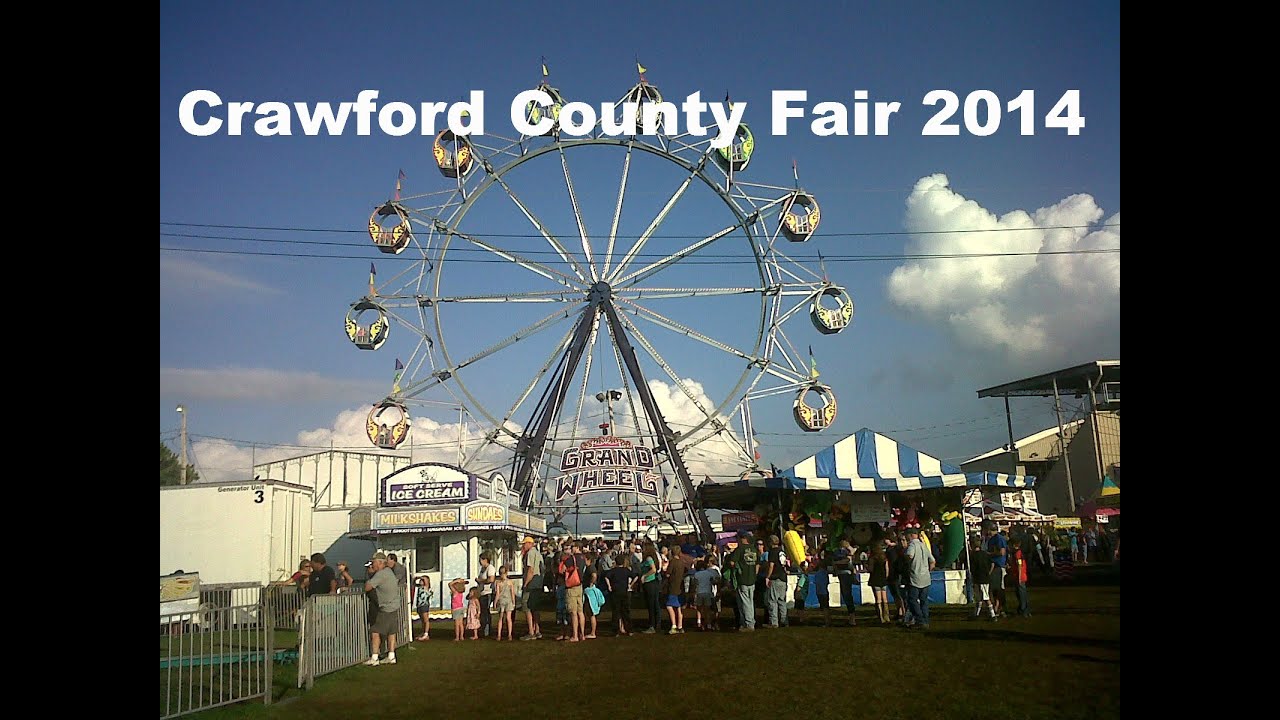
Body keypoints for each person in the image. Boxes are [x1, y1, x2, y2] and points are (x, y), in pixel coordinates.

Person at [363, 552, 400, 666]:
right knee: (391, 632)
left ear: (380, 563)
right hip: (394, 606)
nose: (372, 565)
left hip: (386, 608)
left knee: (375, 631)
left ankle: (374, 658)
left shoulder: (380, 574)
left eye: (373, 563)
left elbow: (368, 587)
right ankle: (391, 656)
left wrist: (370, 575)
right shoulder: (389, 572)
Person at [904, 527, 935, 629]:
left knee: (912, 600)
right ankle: (925, 620)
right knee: (924, 600)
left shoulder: (912, 545)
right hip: (925, 577)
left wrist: (906, 565)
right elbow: (932, 561)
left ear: (911, 535)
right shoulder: (924, 545)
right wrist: (928, 570)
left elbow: (909, 556)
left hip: (915, 576)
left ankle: (920, 619)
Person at [604, 553, 636, 635]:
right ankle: (629, 630)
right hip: (624, 592)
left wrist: (609, 586)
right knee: (626, 612)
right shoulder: (626, 570)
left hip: (615, 592)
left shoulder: (613, 571)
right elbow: (635, 576)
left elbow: (606, 577)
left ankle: (616, 631)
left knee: (616, 612)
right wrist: (631, 584)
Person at [519, 536, 544, 641]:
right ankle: (537, 630)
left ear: (529, 543)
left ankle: (531, 632)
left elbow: (530, 570)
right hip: (538, 584)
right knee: (535, 608)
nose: (523, 546)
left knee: (527, 607)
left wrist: (525, 584)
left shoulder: (530, 553)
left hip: (531, 584)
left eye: (524, 544)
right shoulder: (538, 553)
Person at [559, 550, 585, 642]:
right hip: (579, 585)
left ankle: (575, 635)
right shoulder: (582, 558)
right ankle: (582, 634)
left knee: (573, 613)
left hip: (571, 587)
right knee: (580, 612)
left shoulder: (569, 560)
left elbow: (561, 571)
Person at [763, 535, 789, 628]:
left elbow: (771, 566)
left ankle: (774, 622)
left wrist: (768, 577)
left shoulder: (772, 552)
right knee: (782, 601)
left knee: (772, 601)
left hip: (775, 578)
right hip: (783, 578)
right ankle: (784, 621)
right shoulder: (782, 551)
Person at [664, 542, 690, 634]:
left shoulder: (672, 562)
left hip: (673, 587)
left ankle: (674, 625)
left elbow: (667, 574)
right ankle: (680, 626)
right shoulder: (682, 563)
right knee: (678, 607)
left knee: (669, 606)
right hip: (680, 587)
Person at [985, 521, 1008, 618]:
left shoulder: (999, 539)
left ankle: (1001, 608)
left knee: (1000, 589)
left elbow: (1002, 552)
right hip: (993, 566)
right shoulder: (991, 539)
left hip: (999, 566)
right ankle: (997, 607)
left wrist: (989, 554)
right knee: (994, 589)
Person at [832, 540, 856, 626]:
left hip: (843, 574)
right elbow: (848, 562)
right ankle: (852, 617)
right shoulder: (846, 552)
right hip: (846, 573)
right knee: (847, 594)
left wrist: (836, 564)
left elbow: (846, 561)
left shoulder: (838, 552)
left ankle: (852, 617)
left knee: (846, 594)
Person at [638, 543, 662, 633]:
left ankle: (652, 625)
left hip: (650, 583)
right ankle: (656, 624)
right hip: (651, 583)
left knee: (652, 604)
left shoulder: (648, 559)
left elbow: (653, 569)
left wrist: (644, 576)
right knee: (654, 604)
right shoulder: (650, 558)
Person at [692, 558, 721, 631]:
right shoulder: (709, 573)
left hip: (699, 593)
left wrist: (692, 594)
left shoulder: (696, 574)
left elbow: (694, 585)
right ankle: (708, 624)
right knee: (707, 609)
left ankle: (699, 622)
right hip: (708, 593)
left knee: (699, 609)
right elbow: (714, 582)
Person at [867, 543, 891, 624]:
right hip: (883, 580)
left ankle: (880, 617)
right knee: (885, 599)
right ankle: (887, 616)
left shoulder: (872, 559)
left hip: (875, 579)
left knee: (878, 600)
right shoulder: (884, 559)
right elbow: (887, 570)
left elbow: (870, 569)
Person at [475, 553, 497, 638]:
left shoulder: (490, 568)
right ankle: (483, 628)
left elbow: (491, 579)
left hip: (488, 592)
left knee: (486, 611)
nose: (479, 562)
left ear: (485, 560)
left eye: (480, 560)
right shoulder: (482, 569)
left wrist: (480, 581)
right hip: (482, 592)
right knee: (482, 611)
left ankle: (487, 630)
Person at [1009, 538, 1031, 617]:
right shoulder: (1019, 553)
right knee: (1021, 594)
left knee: (1021, 594)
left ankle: (1024, 610)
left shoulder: (1017, 553)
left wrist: (1018, 577)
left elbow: (1019, 565)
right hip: (1021, 576)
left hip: (1019, 576)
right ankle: (1024, 609)